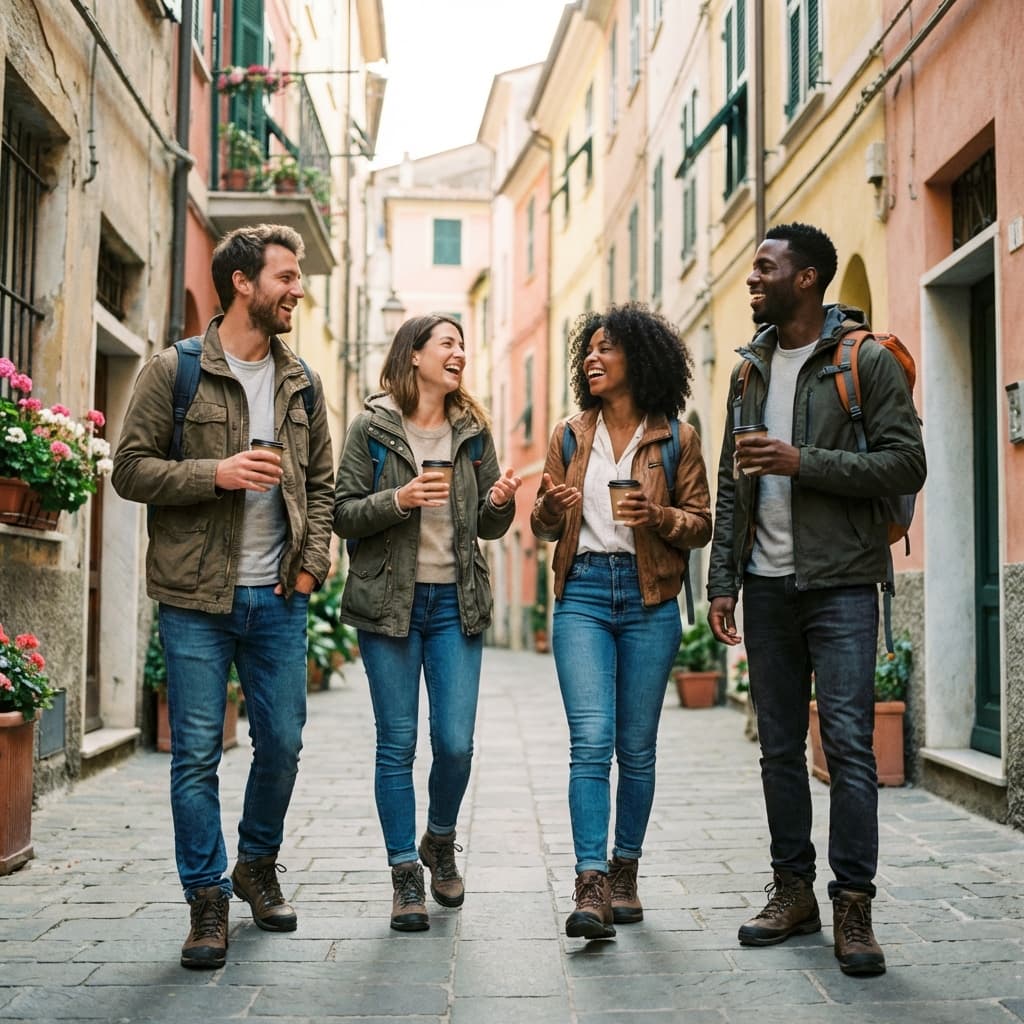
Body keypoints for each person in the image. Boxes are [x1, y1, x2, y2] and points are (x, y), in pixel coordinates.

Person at [112, 224, 334, 969]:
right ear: (244, 283)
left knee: (284, 744)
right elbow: (129, 469)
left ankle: (256, 866)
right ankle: (206, 898)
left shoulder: (302, 382)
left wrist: (310, 568)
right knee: (196, 755)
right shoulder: (173, 371)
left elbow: (323, 485)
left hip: (278, 598)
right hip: (194, 600)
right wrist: (216, 473)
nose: (297, 289)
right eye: (286, 276)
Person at [707, 222, 926, 976]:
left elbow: (907, 463)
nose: (752, 278)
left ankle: (854, 904)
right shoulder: (748, 371)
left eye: (765, 268)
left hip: (841, 584)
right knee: (777, 749)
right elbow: (732, 481)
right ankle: (793, 891)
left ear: (806, 278)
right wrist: (723, 581)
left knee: (850, 745)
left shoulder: (864, 360)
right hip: (766, 589)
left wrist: (802, 462)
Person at [333, 313, 520, 932]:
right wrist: (400, 499)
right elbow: (342, 512)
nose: (459, 352)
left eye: (462, 344)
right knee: (397, 744)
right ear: (414, 355)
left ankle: (439, 838)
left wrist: (500, 503)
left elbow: (490, 523)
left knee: (456, 744)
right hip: (389, 605)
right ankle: (404, 875)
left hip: (455, 606)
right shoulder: (372, 428)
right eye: (447, 343)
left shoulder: (472, 430)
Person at [531, 303, 712, 939]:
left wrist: (656, 517)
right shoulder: (569, 435)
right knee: (590, 740)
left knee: (636, 748)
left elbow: (701, 523)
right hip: (582, 592)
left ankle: (625, 870)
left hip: (650, 598)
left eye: (606, 348)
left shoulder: (677, 439)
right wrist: (550, 509)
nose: (592, 357)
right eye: (589, 350)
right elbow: (542, 525)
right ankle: (590, 883)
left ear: (640, 359)